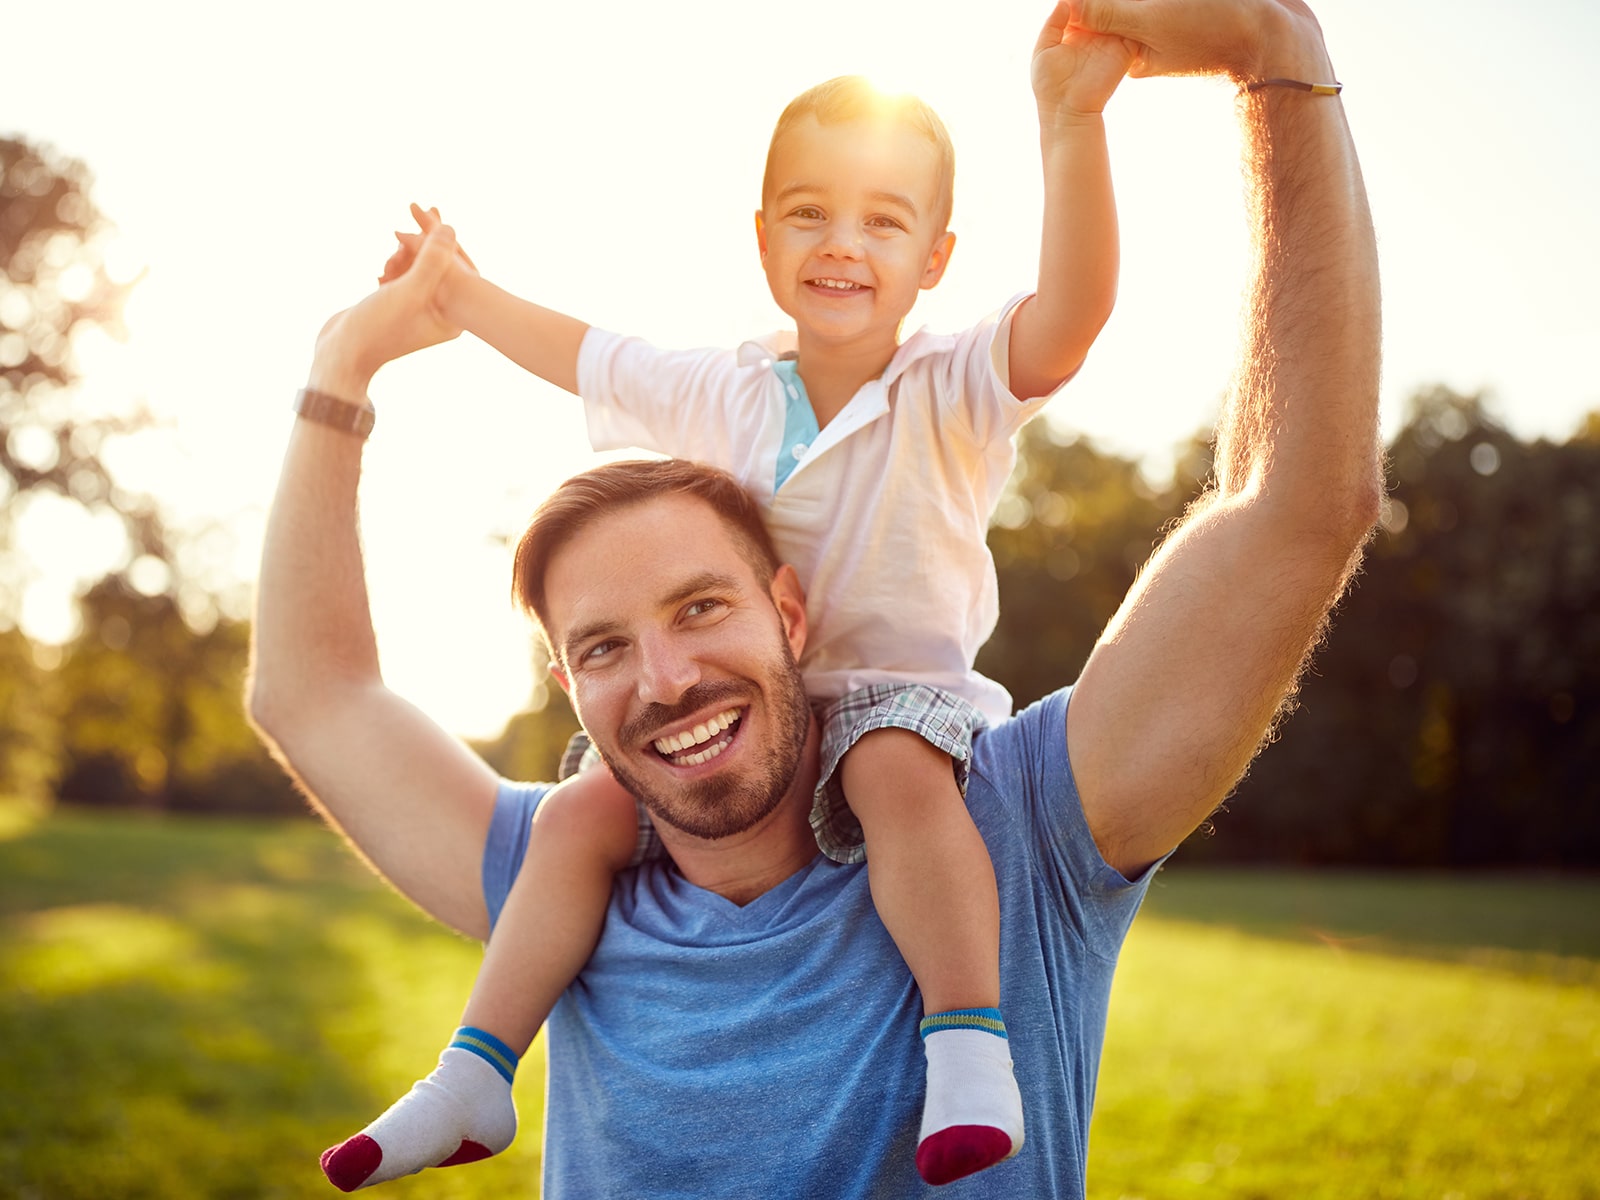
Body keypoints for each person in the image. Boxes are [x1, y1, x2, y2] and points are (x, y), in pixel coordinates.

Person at [247, 0, 1382, 1196]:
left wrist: (1276, 61)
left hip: (910, 726)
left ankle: (967, 1040)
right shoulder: (571, 878)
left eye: (698, 607)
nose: (666, 677)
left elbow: (1294, 503)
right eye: (600, 647)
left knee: (888, 760)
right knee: (590, 808)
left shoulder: (1014, 829)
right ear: (566, 685)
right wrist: (349, 359)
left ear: (789, 611)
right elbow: (314, 691)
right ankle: (473, 1069)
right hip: (647, 811)